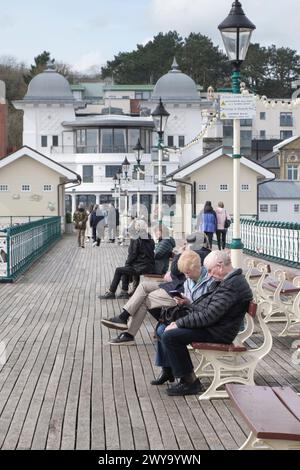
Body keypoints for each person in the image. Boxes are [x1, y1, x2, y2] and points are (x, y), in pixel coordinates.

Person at [156, 250, 253, 396]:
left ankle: (190, 383)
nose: (208, 274)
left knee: (170, 336)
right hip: (216, 327)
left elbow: (208, 316)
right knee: (167, 331)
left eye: (209, 270)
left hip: (219, 332)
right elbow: (207, 308)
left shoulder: (232, 285)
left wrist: (179, 323)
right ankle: (183, 378)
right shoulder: (228, 281)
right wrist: (189, 305)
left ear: (220, 266)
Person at [100, 232, 211, 345]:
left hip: (180, 291)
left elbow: (174, 270)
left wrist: (181, 253)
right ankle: (123, 318)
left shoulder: (199, 254)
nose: (186, 244)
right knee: (144, 286)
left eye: (188, 242)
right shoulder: (202, 253)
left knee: (145, 299)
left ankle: (128, 332)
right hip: (174, 285)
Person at [152, 250, 214, 385]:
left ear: (197, 267)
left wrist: (188, 303)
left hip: (201, 320)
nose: (186, 276)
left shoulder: (210, 281)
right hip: (191, 316)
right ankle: (167, 370)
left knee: (166, 332)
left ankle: (183, 375)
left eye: (188, 272)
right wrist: (182, 301)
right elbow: (190, 302)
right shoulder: (188, 281)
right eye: (184, 273)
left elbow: (206, 309)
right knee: (161, 328)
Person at [99, 219, 155, 300]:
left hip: (140, 266)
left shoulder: (136, 238)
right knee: (125, 269)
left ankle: (112, 292)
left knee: (119, 270)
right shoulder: (150, 237)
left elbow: (132, 254)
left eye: (136, 225)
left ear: (138, 227)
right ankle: (124, 292)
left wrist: (128, 263)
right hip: (149, 266)